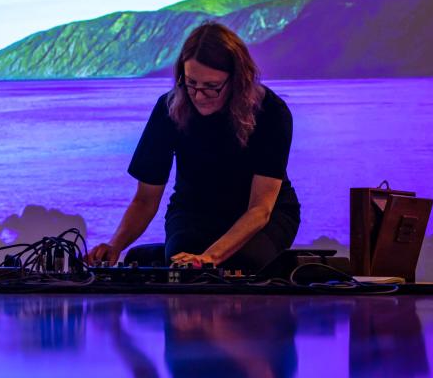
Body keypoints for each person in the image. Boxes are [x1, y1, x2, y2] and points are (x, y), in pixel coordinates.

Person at [87, 22, 300, 270]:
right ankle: (157, 256)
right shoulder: (168, 108)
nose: (198, 96)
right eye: (191, 83)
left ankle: (157, 257)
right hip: (193, 212)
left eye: (211, 87)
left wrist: (209, 257)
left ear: (237, 80)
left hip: (267, 215)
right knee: (180, 265)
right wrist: (115, 245)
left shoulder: (271, 112)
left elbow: (260, 209)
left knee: (241, 264)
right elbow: (145, 199)